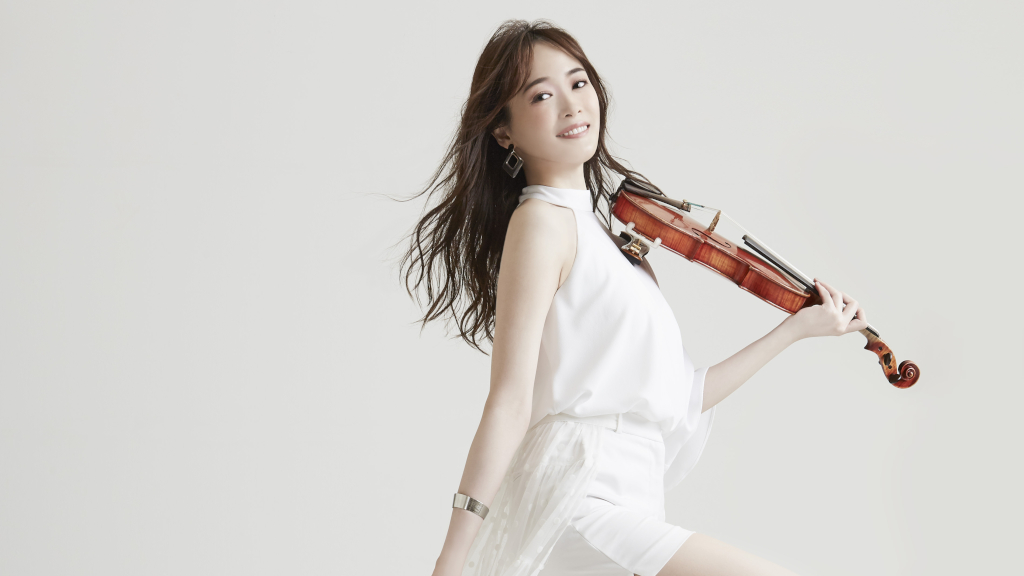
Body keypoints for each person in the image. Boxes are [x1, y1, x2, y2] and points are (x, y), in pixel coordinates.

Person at [398, 19, 868, 576]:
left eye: (579, 83)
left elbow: (681, 396)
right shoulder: (543, 222)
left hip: (635, 491)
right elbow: (509, 401)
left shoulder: (615, 241)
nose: (572, 105)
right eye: (542, 96)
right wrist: (453, 556)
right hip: (580, 489)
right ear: (504, 130)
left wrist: (796, 329)